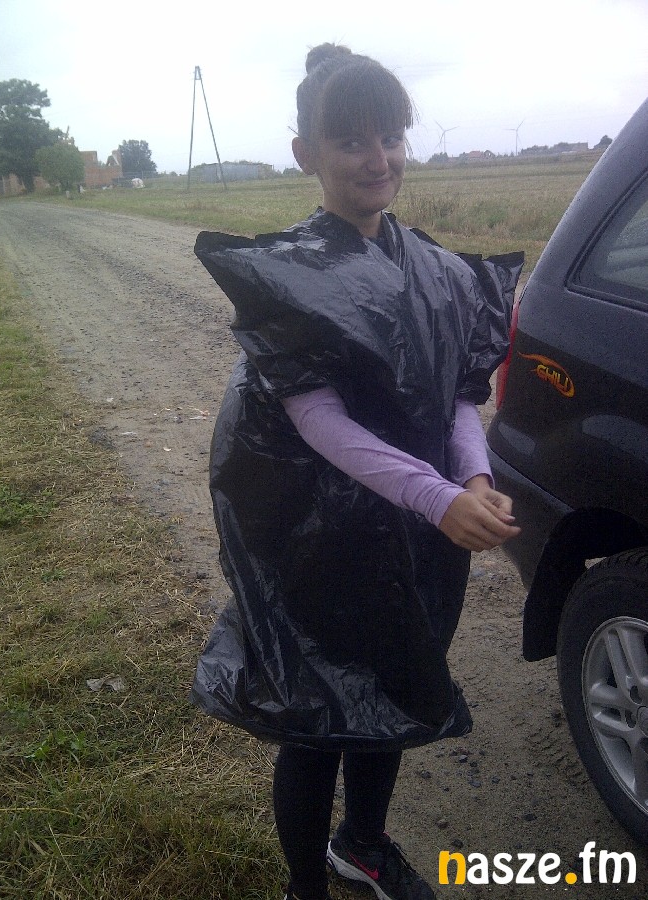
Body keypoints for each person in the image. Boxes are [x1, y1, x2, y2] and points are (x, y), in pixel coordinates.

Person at [191, 43, 523, 900]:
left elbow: (455, 392)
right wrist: (438, 496)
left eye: (391, 138)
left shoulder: (438, 270)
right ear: (306, 154)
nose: (378, 160)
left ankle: (362, 847)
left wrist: (473, 479)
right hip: (321, 543)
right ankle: (305, 884)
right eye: (351, 143)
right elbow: (318, 419)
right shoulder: (290, 277)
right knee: (318, 717)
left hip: (416, 534)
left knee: (396, 689)